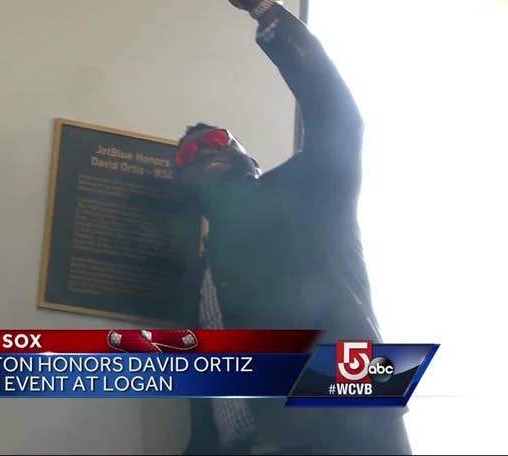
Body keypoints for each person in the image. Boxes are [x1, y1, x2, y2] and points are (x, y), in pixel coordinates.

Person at [174, 1, 413, 454]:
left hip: (344, 427)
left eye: (220, 140)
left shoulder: (310, 191)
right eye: (189, 155)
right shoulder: (198, 277)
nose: (206, 151)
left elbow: (339, 120)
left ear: (252, 159)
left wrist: (267, 13)